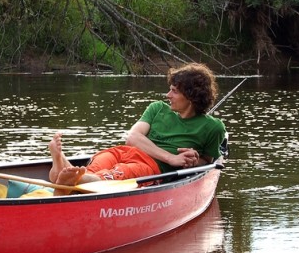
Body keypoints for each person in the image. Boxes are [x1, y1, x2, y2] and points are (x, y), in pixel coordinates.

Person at [49, 63, 226, 195]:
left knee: (112, 176)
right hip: (122, 152)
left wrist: (194, 161)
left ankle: (66, 173)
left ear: (191, 96)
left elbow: (209, 161)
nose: (168, 95)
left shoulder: (213, 127)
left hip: (150, 167)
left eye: (174, 91)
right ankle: (65, 170)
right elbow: (132, 137)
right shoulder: (157, 108)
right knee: (96, 168)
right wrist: (171, 158)